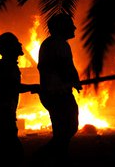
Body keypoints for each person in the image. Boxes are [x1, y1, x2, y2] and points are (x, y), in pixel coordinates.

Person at [0, 32, 39, 167]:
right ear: (9, 48)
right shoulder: (6, 67)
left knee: (7, 152)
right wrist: (34, 87)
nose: (20, 44)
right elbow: (13, 87)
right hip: (2, 117)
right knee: (13, 154)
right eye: (16, 42)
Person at [34, 13, 82, 165]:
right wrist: (67, 81)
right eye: (70, 24)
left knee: (67, 129)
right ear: (61, 27)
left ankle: (58, 157)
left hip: (59, 93)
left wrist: (73, 80)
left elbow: (66, 67)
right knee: (66, 129)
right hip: (56, 94)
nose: (74, 27)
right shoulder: (55, 44)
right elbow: (56, 68)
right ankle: (42, 157)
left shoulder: (58, 44)